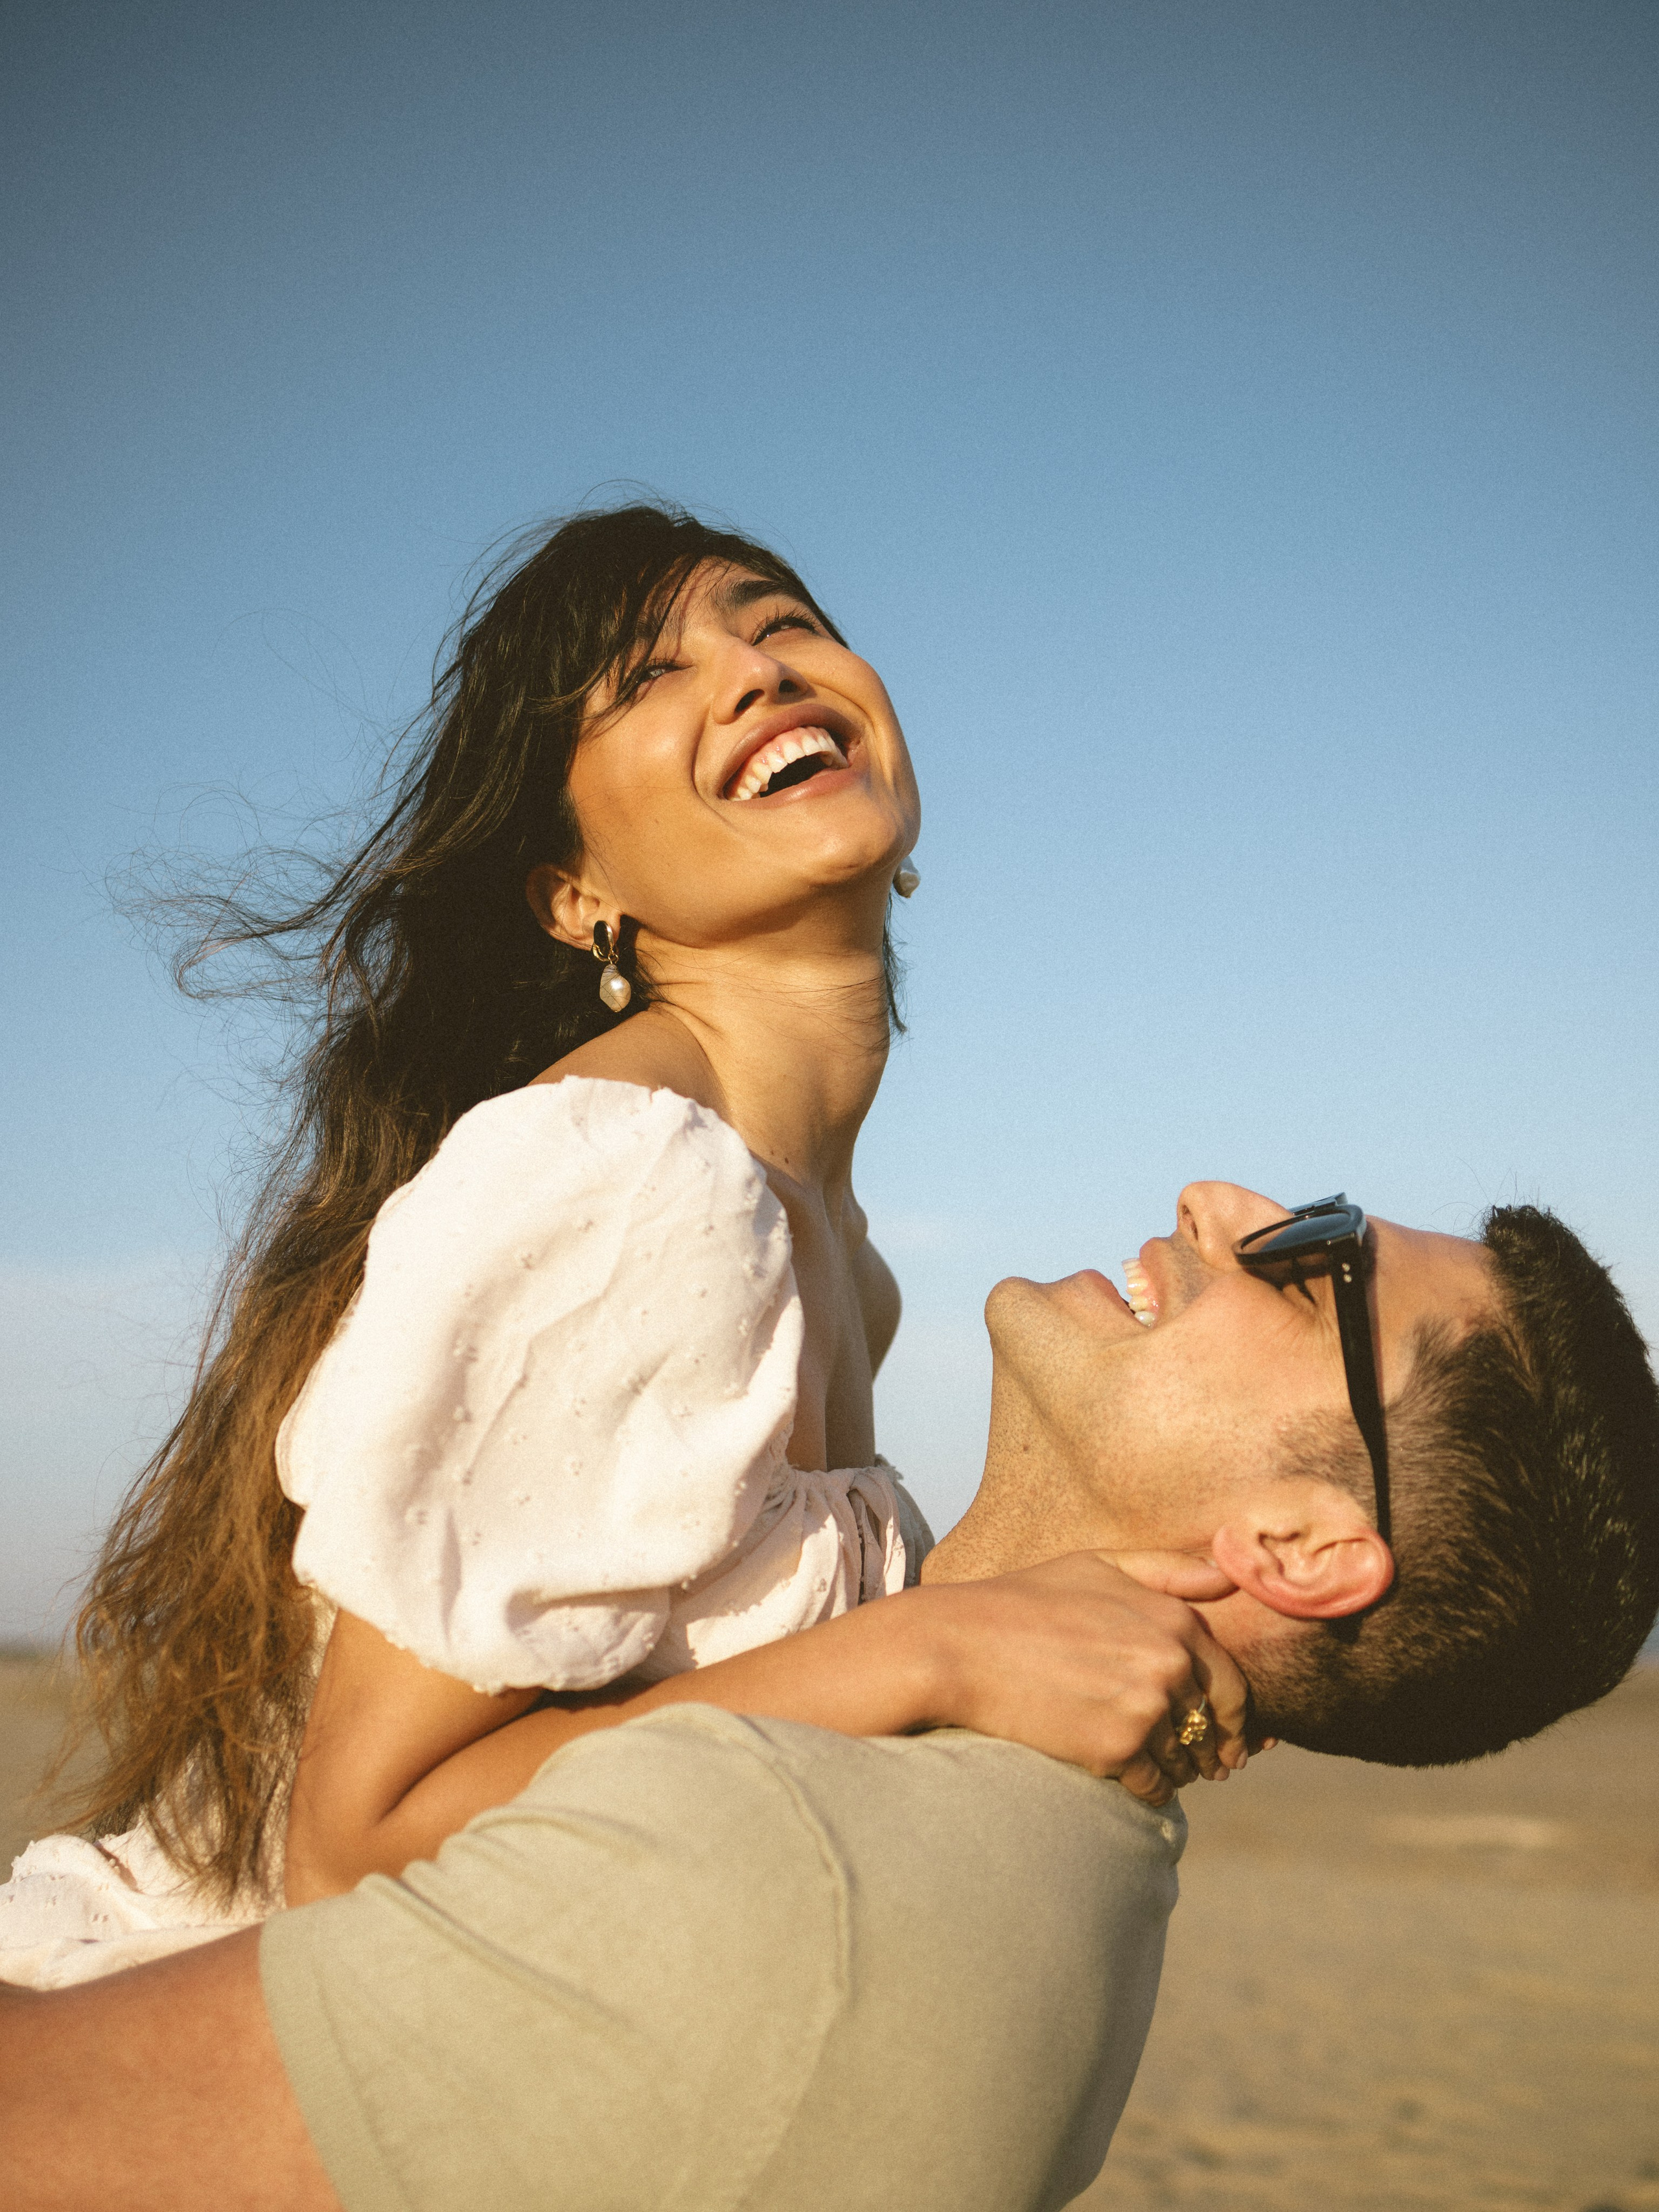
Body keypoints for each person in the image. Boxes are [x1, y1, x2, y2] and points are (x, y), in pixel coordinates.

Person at [0, 502, 1249, 1991]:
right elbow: (361, 1843)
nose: (754, 670)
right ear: (575, 896)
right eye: (647, 674)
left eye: (776, 620)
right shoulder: (633, 1179)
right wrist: (941, 1653)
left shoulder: (845, 1256)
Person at [5, 1176, 1656, 2212]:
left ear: (1296, 1544)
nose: (1220, 1201)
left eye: (1313, 1265)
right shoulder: (961, 1784)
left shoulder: (804, 1869)